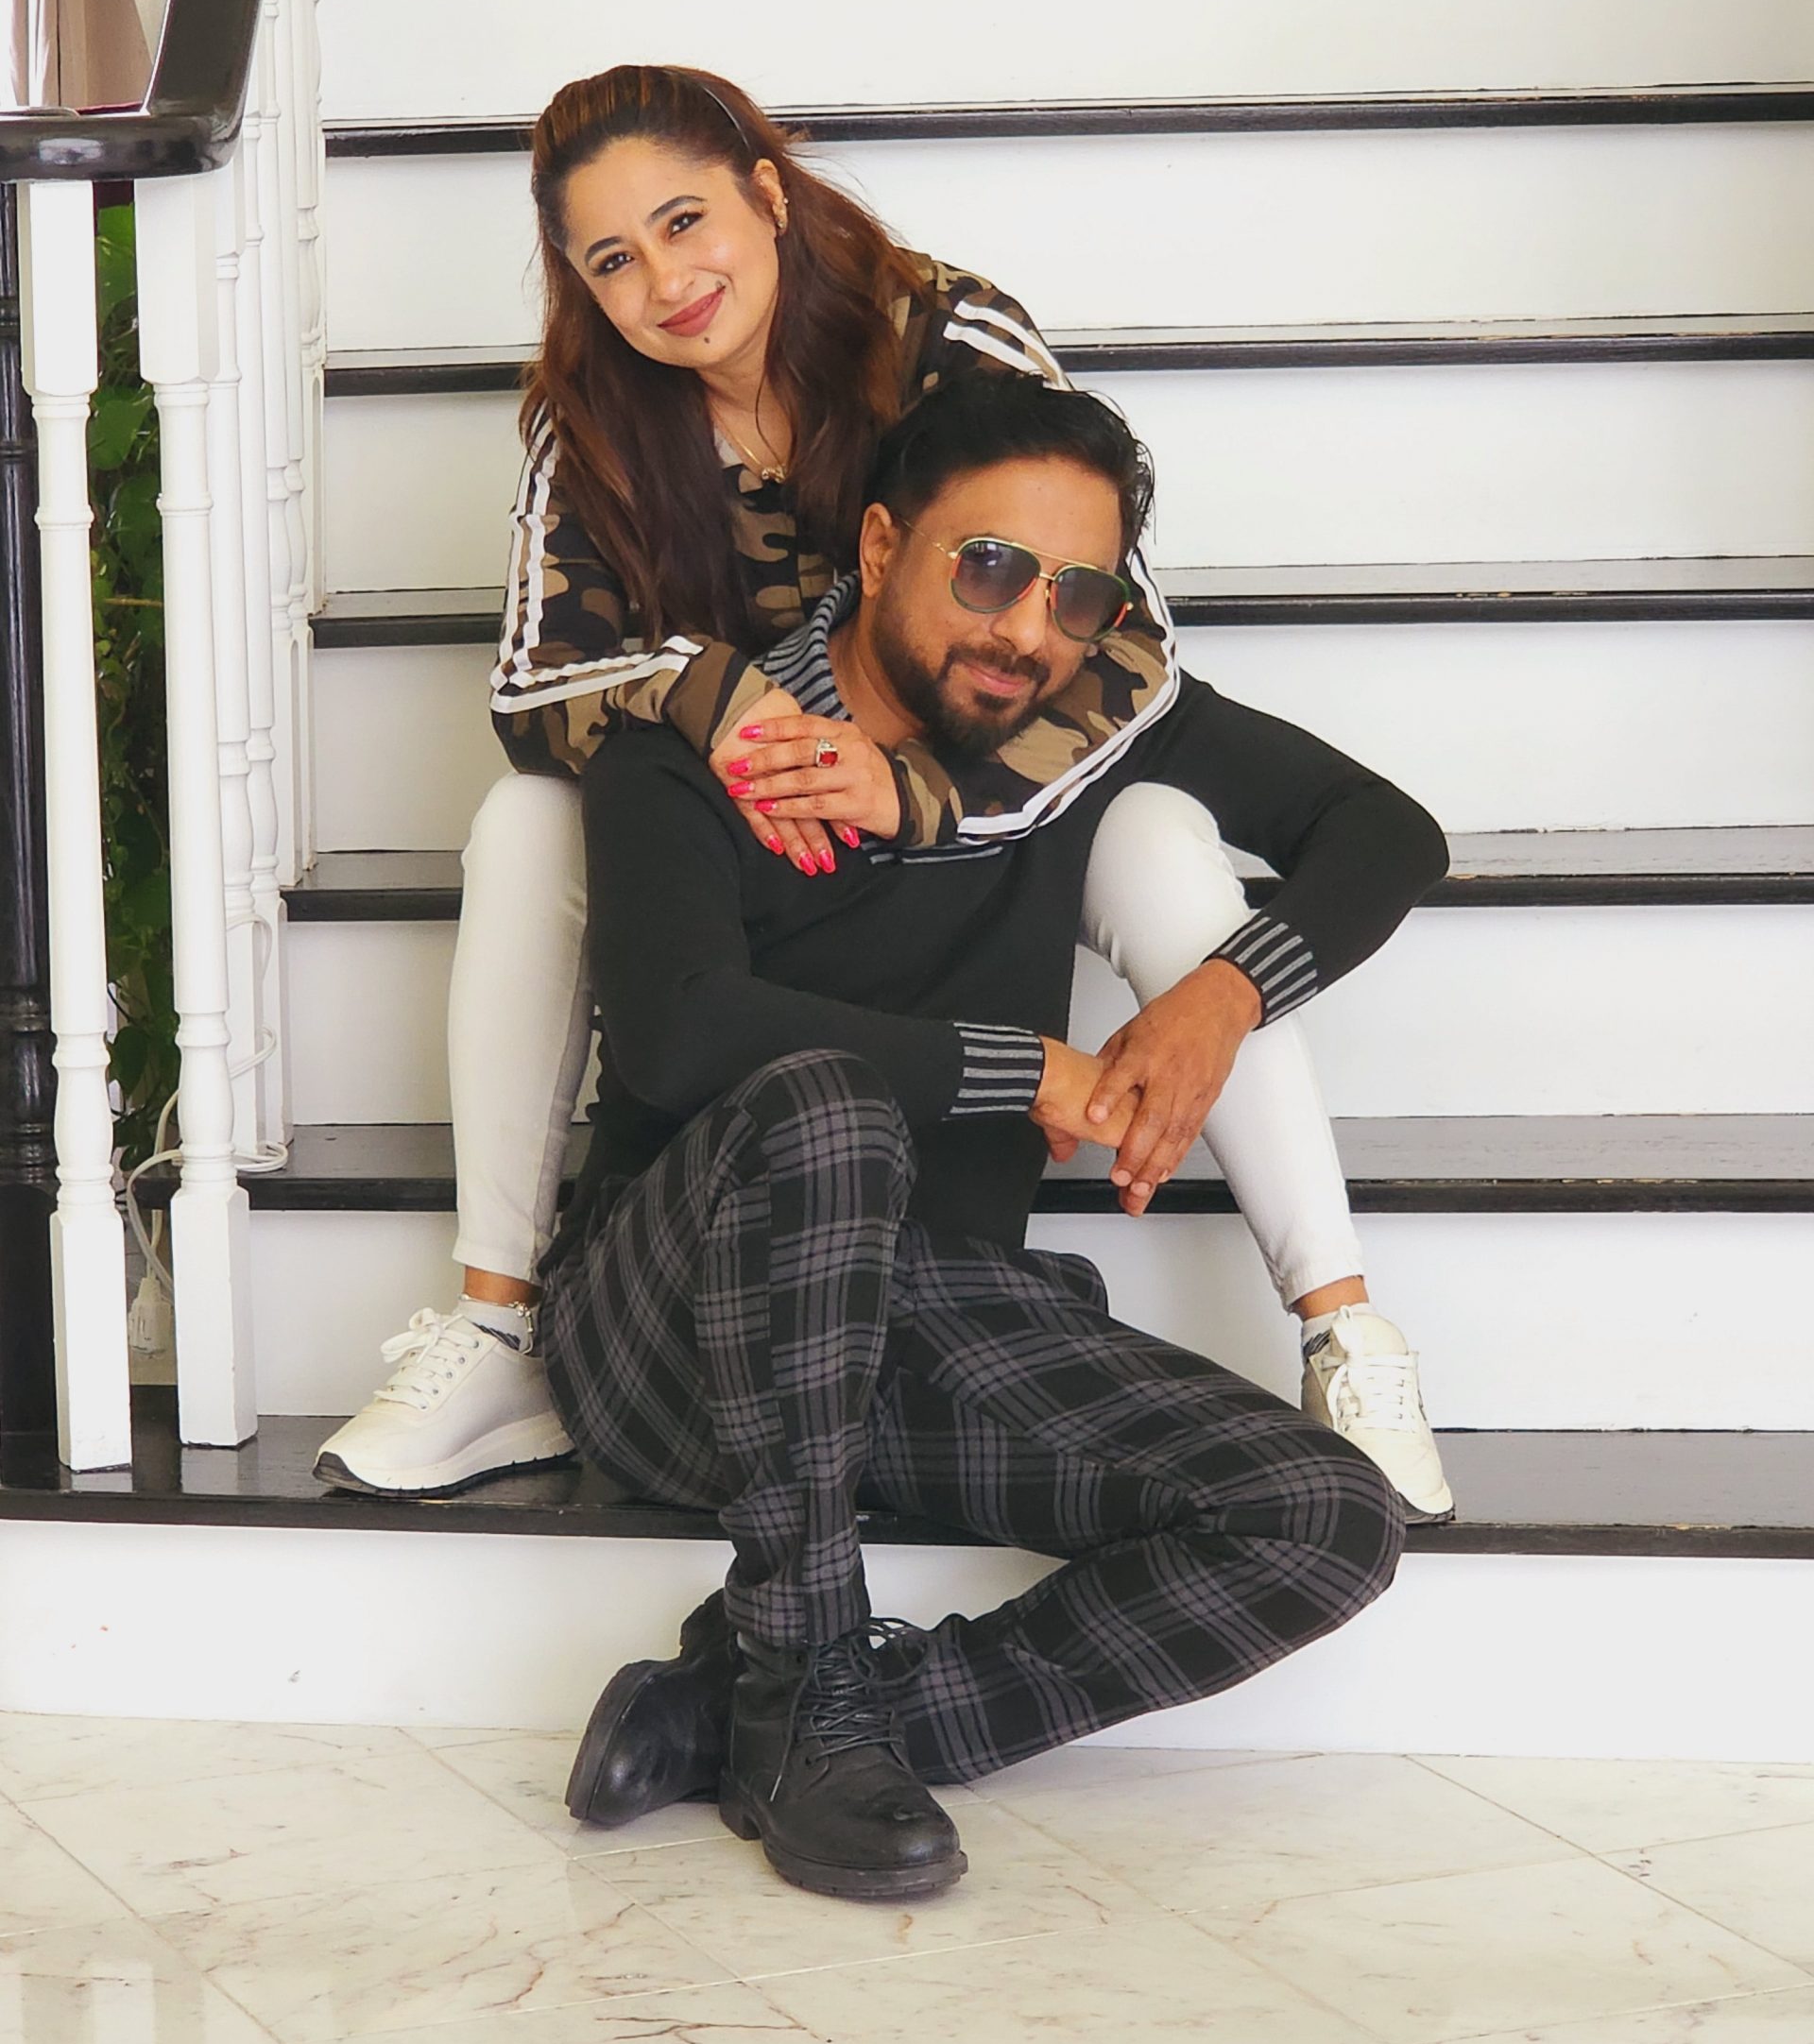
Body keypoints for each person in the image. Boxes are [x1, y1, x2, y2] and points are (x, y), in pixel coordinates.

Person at [315, 62, 1451, 1520]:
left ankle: (1341, 1323)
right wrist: (718, 694)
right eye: (612, 260)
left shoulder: (948, 342)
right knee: (526, 819)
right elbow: (535, 693)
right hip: (745, 823)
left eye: (684, 221)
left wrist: (948, 816)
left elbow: (1110, 645)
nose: (666, 283)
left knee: (1162, 831)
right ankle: (496, 1327)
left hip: (989, 785)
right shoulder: (593, 417)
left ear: (767, 194)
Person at [539, 372, 1445, 1902]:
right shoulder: (703, 746)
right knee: (825, 1105)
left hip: (917, 1318)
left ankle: (779, 1710)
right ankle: (810, 1689)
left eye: (1076, 595)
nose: (1028, 629)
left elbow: (1388, 832)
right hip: (676, 1334)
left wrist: (1218, 1000)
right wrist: (1023, 1070)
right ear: (879, 545)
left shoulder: (1076, 744)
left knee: (1323, 1516)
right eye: (990, 568)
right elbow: (681, 1031)